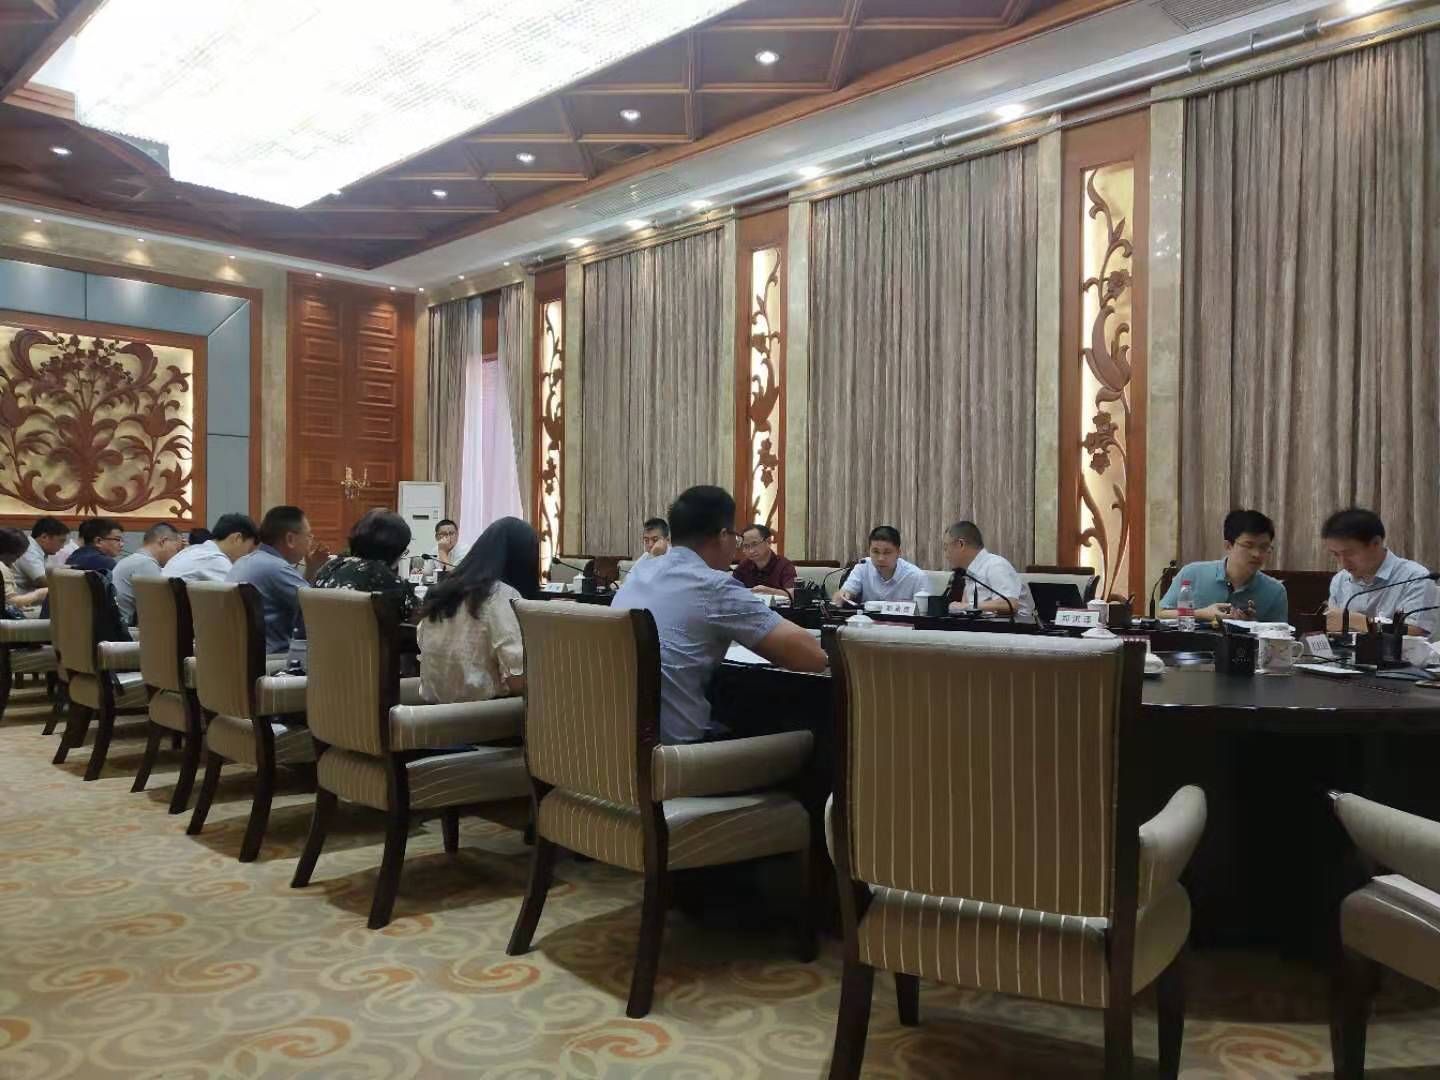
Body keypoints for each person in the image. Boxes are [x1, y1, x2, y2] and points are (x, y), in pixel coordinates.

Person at [614, 485, 827, 744]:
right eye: (738, 540)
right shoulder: (713, 586)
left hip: (614, 740)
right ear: (724, 535)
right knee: (806, 740)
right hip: (676, 752)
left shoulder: (639, 572)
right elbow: (813, 658)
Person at [417, 516, 540, 704]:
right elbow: (517, 682)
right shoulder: (500, 596)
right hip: (481, 714)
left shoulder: (441, 591)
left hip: (431, 710)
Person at [290, 510, 417, 668]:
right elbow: (419, 626)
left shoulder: (330, 567)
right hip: (359, 675)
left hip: (309, 667)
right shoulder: (386, 579)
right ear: (395, 550)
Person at [226, 506, 329, 655]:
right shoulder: (276, 568)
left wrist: (311, 569)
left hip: (239, 656)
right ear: (290, 539)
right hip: (271, 659)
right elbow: (320, 611)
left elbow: (302, 598)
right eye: (308, 536)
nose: (310, 542)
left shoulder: (245, 561)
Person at [1158, 509, 1288, 624]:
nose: (1257, 554)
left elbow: (1279, 637)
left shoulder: (1275, 591)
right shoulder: (1192, 573)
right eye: (1248, 545)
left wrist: (1251, 625)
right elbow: (1163, 614)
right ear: (1228, 546)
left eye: (1264, 547)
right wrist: (1201, 614)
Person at [1322, 508, 1437, 636]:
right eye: (1336, 554)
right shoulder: (1340, 580)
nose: (1343, 563)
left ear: (1376, 543)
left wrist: (1363, 623)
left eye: (1350, 553)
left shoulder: (1415, 577)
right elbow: (1333, 626)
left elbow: (1416, 631)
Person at [941, 521, 1032, 621]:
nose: (946, 555)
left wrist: (966, 606)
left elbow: (1010, 604)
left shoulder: (996, 565)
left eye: (946, 548)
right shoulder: (969, 572)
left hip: (1012, 628)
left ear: (961, 544)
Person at [833, 525, 929, 607]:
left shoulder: (916, 576)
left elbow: (926, 614)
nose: (881, 558)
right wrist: (843, 595)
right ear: (869, 551)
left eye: (887, 552)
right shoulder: (863, 567)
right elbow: (845, 592)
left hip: (903, 623)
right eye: (875, 552)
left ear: (898, 553)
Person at [111, 522, 184, 625]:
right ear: (163, 542)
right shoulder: (145, 564)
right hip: (124, 629)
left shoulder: (134, 560)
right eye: (177, 550)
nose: (177, 556)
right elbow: (161, 609)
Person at [164, 514, 259, 584]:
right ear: (237, 538)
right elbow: (240, 596)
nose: (248, 556)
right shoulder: (213, 558)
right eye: (249, 550)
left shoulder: (190, 551)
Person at [732, 524, 797, 599]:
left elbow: (793, 594)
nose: (751, 551)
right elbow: (730, 590)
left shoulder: (784, 565)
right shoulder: (744, 565)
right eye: (746, 546)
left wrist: (770, 592)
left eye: (755, 544)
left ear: (768, 542)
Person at [12, 517, 68, 596]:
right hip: (17, 600)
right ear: (44, 537)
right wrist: (72, 582)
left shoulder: (40, 550)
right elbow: (42, 581)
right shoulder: (28, 549)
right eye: (61, 541)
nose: (62, 547)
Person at [0, 528, 46, 617]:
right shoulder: (2, 568)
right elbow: (9, 602)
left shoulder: (6, 565)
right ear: (7, 552)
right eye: (17, 556)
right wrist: (37, 594)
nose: (16, 560)